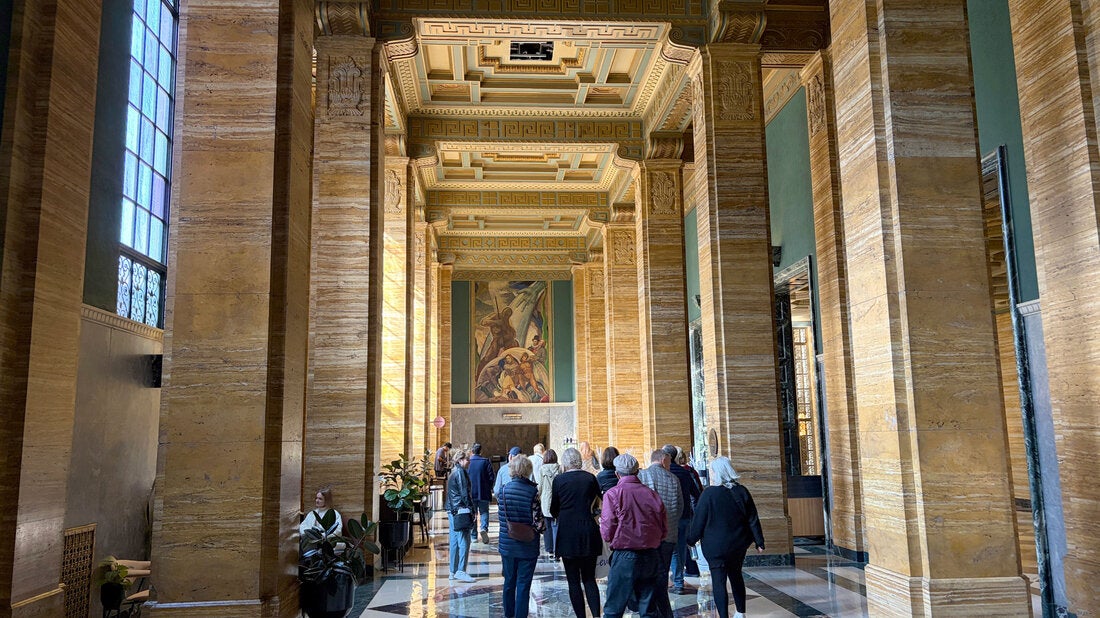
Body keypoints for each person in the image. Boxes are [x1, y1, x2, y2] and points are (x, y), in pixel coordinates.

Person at [687, 457, 765, 618]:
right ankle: (741, 612)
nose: (711, 473)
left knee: (719, 581)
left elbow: (699, 520)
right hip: (738, 544)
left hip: (715, 547)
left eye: (712, 471)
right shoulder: (741, 491)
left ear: (717, 473)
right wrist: (759, 541)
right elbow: (752, 518)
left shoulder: (709, 494)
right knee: (736, 575)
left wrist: (691, 539)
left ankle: (723, 616)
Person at [600, 453, 667, 618]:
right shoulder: (652, 494)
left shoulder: (613, 494)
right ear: (637, 472)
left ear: (617, 474)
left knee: (614, 609)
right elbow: (663, 528)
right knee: (648, 609)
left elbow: (607, 530)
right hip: (650, 555)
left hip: (625, 555)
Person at [551, 448, 603, 618]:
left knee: (573, 581)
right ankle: (596, 615)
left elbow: (553, 509)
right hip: (588, 531)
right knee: (589, 579)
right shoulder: (590, 478)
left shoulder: (559, 480)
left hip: (568, 534)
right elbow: (599, 501)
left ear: (565, 463)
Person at [638, 449, 683, 618]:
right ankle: (663, 611)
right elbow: (680, 507)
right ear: (663, 460)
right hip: (669, 535)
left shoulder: (642, 476)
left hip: (648, 535)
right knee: (663, 573)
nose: (670, 465)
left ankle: (653, 610)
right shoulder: (673, 479)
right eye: (670, 462)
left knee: (649, 574)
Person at [498, 455, 542, 618]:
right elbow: (539, 523)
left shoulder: (503, 491)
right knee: (523, 584)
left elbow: (502, 519)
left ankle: (508, 614)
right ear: (527, 470)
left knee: (509, 582)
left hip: (507, 545)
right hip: (528, 546)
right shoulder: (532, 492)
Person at [663, 444, 701, 595]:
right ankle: (678, 581)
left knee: (670, 549)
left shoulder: (665, 472)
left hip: (668, 516)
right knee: (680, 548)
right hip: (684, 515)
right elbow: (696, 494)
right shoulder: (684, 472)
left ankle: (673, 581)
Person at [446, 449, 476, 582]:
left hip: (452, 509)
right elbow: (465, 493)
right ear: (460, 460)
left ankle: (452, 571)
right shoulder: (460, 473)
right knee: (464, 540)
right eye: (467, 459)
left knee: (454, 541)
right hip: (460, 509)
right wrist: (472, 509)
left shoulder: (453, 471)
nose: (469, 462)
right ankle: (461, 570)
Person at [468, 443, 495, 544]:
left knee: (473, 513)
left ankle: (474, 536)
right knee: (484, 512)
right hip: (483, 492)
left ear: (472, 451)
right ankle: (484, 529)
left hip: (471, 493)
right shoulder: (485, 461)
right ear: (481, 451)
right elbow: (491, 477)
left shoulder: (468, 462)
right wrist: (489, 488)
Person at [536, 448, 561, 557]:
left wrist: (538, 496)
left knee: (547, 525)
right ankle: (557, 549)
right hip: (557, 499)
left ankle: (549, 548)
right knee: (556, 525)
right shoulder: (560, 468)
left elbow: (540, 486)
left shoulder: (542, 469)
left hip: (546, 499)